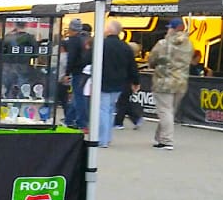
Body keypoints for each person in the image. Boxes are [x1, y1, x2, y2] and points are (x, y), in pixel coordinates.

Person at [147, 18, 194, 150]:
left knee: (165, 111)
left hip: (164, 82)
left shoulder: (163, 43)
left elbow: (152, 59)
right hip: (181, 82)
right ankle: (160, 138)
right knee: (169, 112)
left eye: (169, 28)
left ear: (173, 29)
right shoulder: (189, 44)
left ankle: (167, 140)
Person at [97, 19, 140, 147]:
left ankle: (102, 139)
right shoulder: (125, 47)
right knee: (110, 109)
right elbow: (132, 65)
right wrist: (135, 81)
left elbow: (90, 59)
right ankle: (107, 137)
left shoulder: (102, 44)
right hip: (119, 83)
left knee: (103, 110)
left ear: (109, 30)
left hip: (104, 80)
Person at [61, 19, 90, 128]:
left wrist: (67, 73)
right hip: (85, 71)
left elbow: (71, 58)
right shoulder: (85, 39)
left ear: (71, 29)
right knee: (77, 97)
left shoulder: (73, 41)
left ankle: (81, 122)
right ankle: (69, 119)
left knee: (78, 98)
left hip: (77, 71)